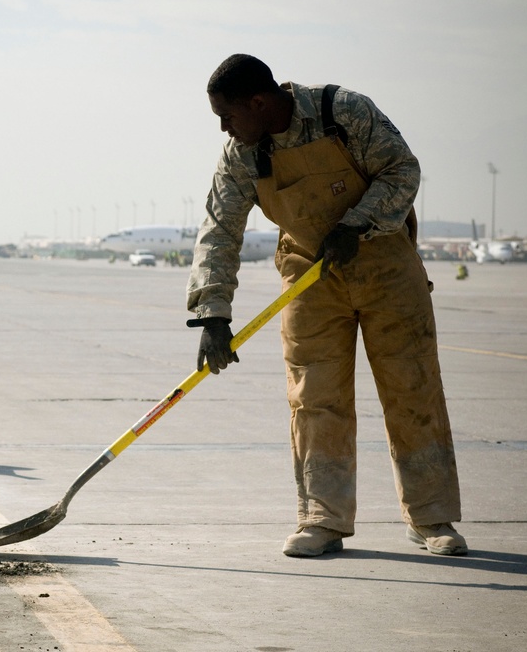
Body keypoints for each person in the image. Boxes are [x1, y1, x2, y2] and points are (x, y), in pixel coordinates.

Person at [187, 54, 466, 558]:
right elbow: (219, 231)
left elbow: (402, 169)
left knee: (413, 389)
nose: (224, 129)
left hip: (386, 267)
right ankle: (323, 518)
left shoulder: (343, 112)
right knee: (315, 398)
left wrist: (357, 224)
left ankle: (431, 517)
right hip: (309, 278)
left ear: (258, 102)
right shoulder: (241, 154)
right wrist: (213, 313)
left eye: (227, 116)